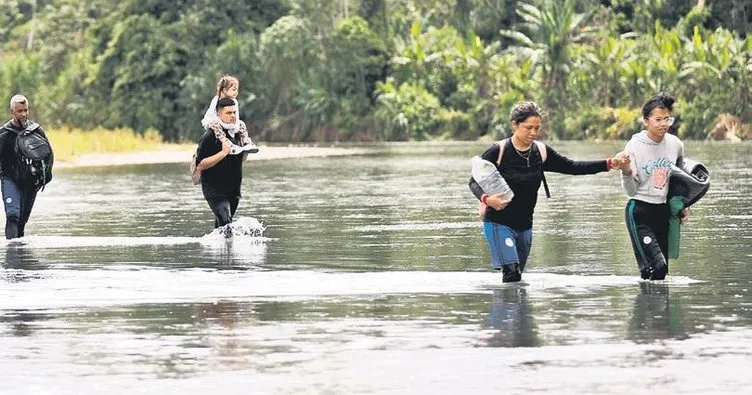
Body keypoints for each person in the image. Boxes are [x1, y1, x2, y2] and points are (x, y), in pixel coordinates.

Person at [469, 100, 626, 282]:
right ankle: (506, 308)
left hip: (525, 225)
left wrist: (609, 163)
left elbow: (573, 166)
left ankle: (517, 310)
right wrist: (487, 200)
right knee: (512, 272)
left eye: (537, 128)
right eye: (528, 128)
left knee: (517, 277)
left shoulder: (541, 152)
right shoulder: (498, 151)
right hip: (498, 222)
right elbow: (474, 181)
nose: (534, 133)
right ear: (514, 124)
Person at [619, 93, 688, 281]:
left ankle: (651, 309)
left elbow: (679, 181)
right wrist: (625, 171)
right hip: (639, 212)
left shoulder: (675, 144)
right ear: (645, 121)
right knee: (657, 267)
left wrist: (683, 207)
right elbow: (630, 191)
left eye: (667, 119)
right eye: (658, 119)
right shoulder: (633, 146)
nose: (664, 124)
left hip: (663, 211)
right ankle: (647, 308)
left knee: (660, 274)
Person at [0, 95, 54, 239]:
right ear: (12, 111)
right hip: (10, 179)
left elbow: (49, 156)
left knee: (22, 222)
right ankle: (11, 256)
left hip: (31, 182)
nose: (23, 114)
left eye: (26, 110)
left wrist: (44, 177)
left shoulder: (37, 131)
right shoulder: (4, 134)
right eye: (19, 111)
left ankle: (21, 258)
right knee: (13, 216)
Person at [195, 97, 247, 230]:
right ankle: (224, 249)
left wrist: (246, 150)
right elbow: (200, 165)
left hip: (234, 189)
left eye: (234, 112)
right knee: (226, 224)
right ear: (219, 114)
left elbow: (239, 159)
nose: (233, 116)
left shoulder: (237, 133)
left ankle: (217, 250)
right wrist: (223, 153)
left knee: (222, 228)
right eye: (228, 113)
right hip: (214, 189)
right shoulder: (210, 135)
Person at [201, 74, 256, 153]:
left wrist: (235, 126)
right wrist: (218, 122)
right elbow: (211, 114)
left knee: (242, 124)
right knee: (215, 124)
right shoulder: (217, 99)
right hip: (215, 121)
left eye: (237, 90)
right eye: (233, 90)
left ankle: (246, 142)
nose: (236, 92)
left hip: (229, 122)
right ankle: (226, 142)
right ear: (224, 90)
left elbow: (236, 116)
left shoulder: (234, 101)